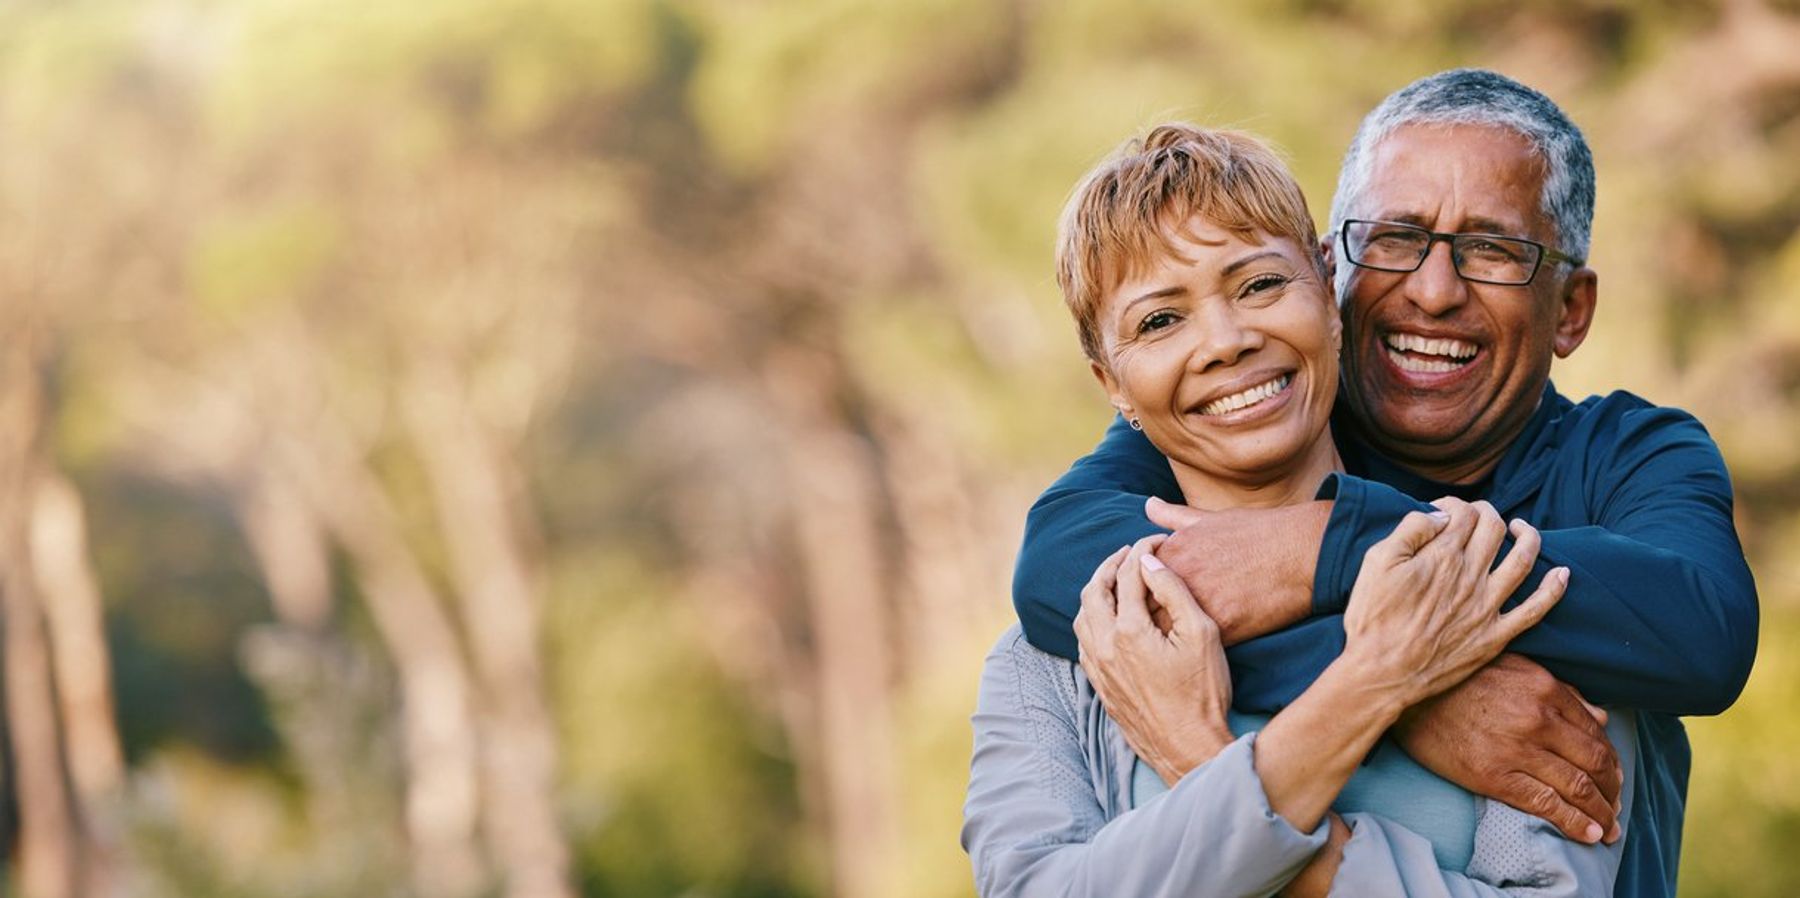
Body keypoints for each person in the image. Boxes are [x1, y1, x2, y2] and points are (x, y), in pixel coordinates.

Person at [1012, 69, 1757, 897]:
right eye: (1395, 238)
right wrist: (1412, 693)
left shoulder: (1628, 456)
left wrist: (1319, 550)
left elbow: (1703, 632)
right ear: (1334, 272)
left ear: (1572, 310)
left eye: (1493, 250)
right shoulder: (1253, 427)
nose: (1433, 291)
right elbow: (1058, 565)